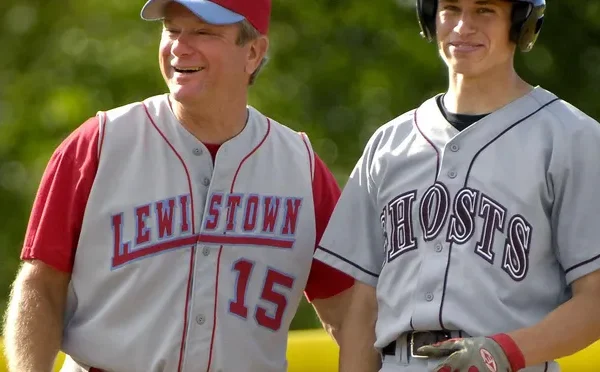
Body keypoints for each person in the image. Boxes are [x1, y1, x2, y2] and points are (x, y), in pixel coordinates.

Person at [2, 1, 355, 371]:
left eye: (203, 31)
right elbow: (41, 285)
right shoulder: (100, 145)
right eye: (171, 29)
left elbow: (348, 311)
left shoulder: (299, 166)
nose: (179, 46)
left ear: (253, 52)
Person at [314, 0, 600, 371]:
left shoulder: (572, 138)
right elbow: (362, 307)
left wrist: (505, 351)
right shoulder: (389, 143)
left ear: (521, 22)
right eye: (451, 8)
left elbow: (594, 300)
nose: (463, 26)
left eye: (485, 10)